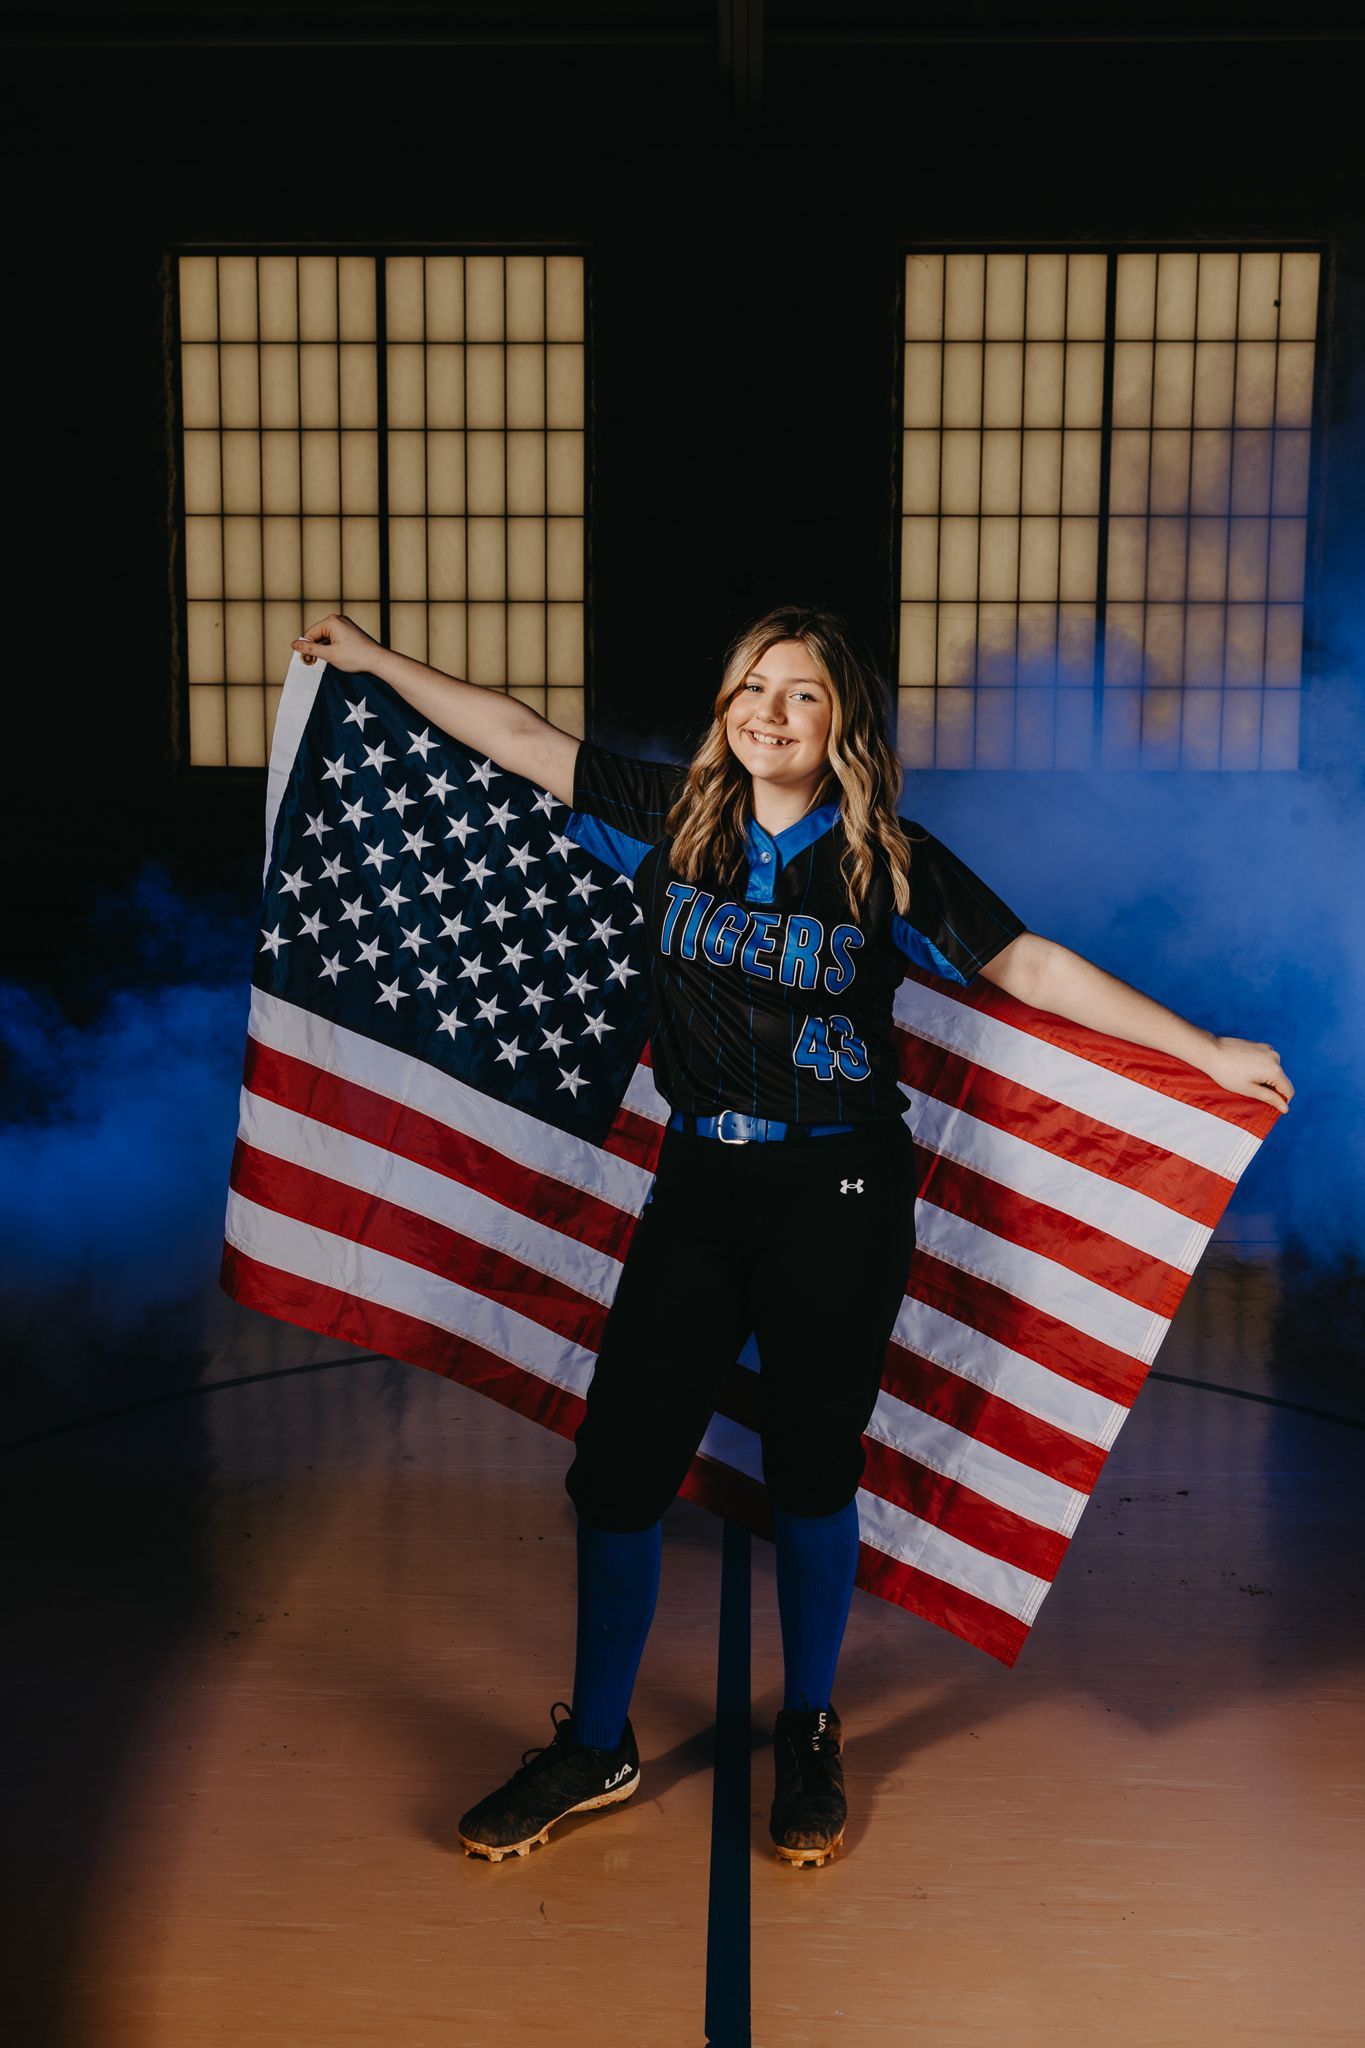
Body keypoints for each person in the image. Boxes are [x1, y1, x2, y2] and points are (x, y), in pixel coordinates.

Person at [291, 602, 1294, 1868]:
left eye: (801, 691)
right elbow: (515, 733)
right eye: (749, 682)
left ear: (844, 723)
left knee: (814, 1468)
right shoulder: (675, 819)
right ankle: (597, 1741)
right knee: (618, 1473)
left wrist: (1202, 1047)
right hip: (700, 1190)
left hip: (841, 1199)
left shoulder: (887, 857)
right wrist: (377, 660)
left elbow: (1026, 965)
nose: (768, 707)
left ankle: (809, 1723)